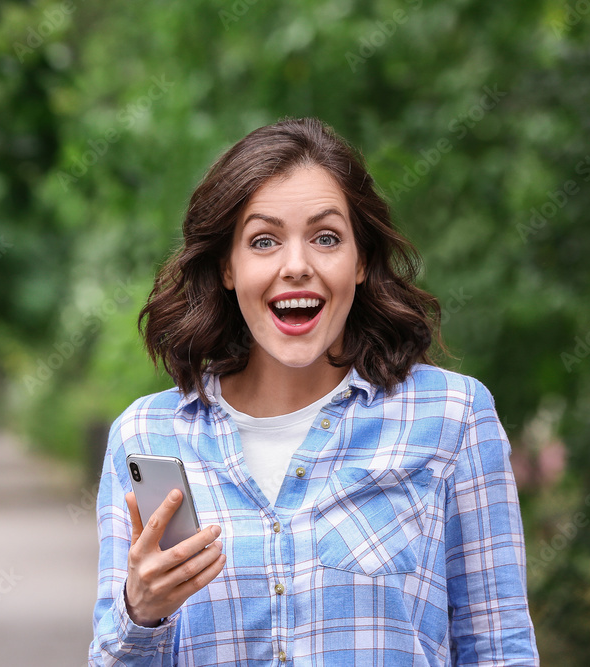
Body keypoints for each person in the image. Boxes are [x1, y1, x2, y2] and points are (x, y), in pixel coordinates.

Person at [88, 117, 539, 665]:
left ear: (362, 261)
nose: (296, 265)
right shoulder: (148, 436)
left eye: (326, 238)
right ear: (229, 266)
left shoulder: (452, 417)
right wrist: (142, 613)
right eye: (264, 241)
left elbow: (499, 648)